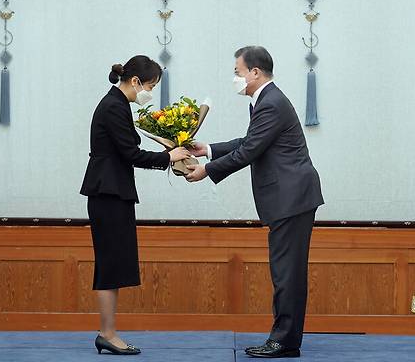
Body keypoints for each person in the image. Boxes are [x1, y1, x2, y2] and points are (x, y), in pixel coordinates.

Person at [186, 46, 324, 358]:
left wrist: (207, 170)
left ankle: (284, 341)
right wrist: (207, 149)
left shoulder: (270, 103)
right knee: (284, 271)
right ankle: (285, 338)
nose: (235, 78)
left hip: (292, 198)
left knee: (287, 272)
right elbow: (250, 142)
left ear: (255, 72)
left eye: (238, 72)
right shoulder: (266, 101)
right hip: (289, 198)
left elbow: (249, 152)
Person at [80, 55, 190, 355]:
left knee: (112, 266)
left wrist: (170, 151)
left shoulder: (117, 104)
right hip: (108, 193)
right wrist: (169, 157)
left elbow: (128, 151)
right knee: (109, 266)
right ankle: (107, 333)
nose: (150, 93)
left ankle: (109, 332)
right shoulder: (114, 106)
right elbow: (131, 154)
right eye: (150, 86)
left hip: (113, 193)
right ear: (135, 82)